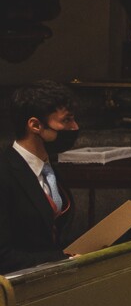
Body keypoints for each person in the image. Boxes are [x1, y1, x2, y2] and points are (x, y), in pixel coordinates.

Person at [1, 81, 79, 272]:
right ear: (35, 125)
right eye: (66, 120)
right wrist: (61, 259)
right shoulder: (4, 172)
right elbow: (3, 256)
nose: (75, 127)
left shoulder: (48, 168)